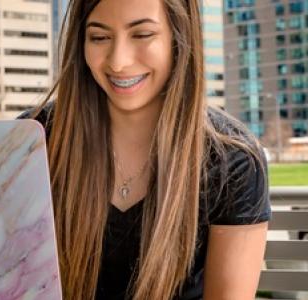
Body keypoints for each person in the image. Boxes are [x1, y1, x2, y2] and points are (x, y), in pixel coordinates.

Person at [18, 0, 271, 299]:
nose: (118, 62)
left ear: (180, 38)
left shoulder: (234, 160)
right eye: (99, 37)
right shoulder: (31, 141)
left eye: (141, 35)